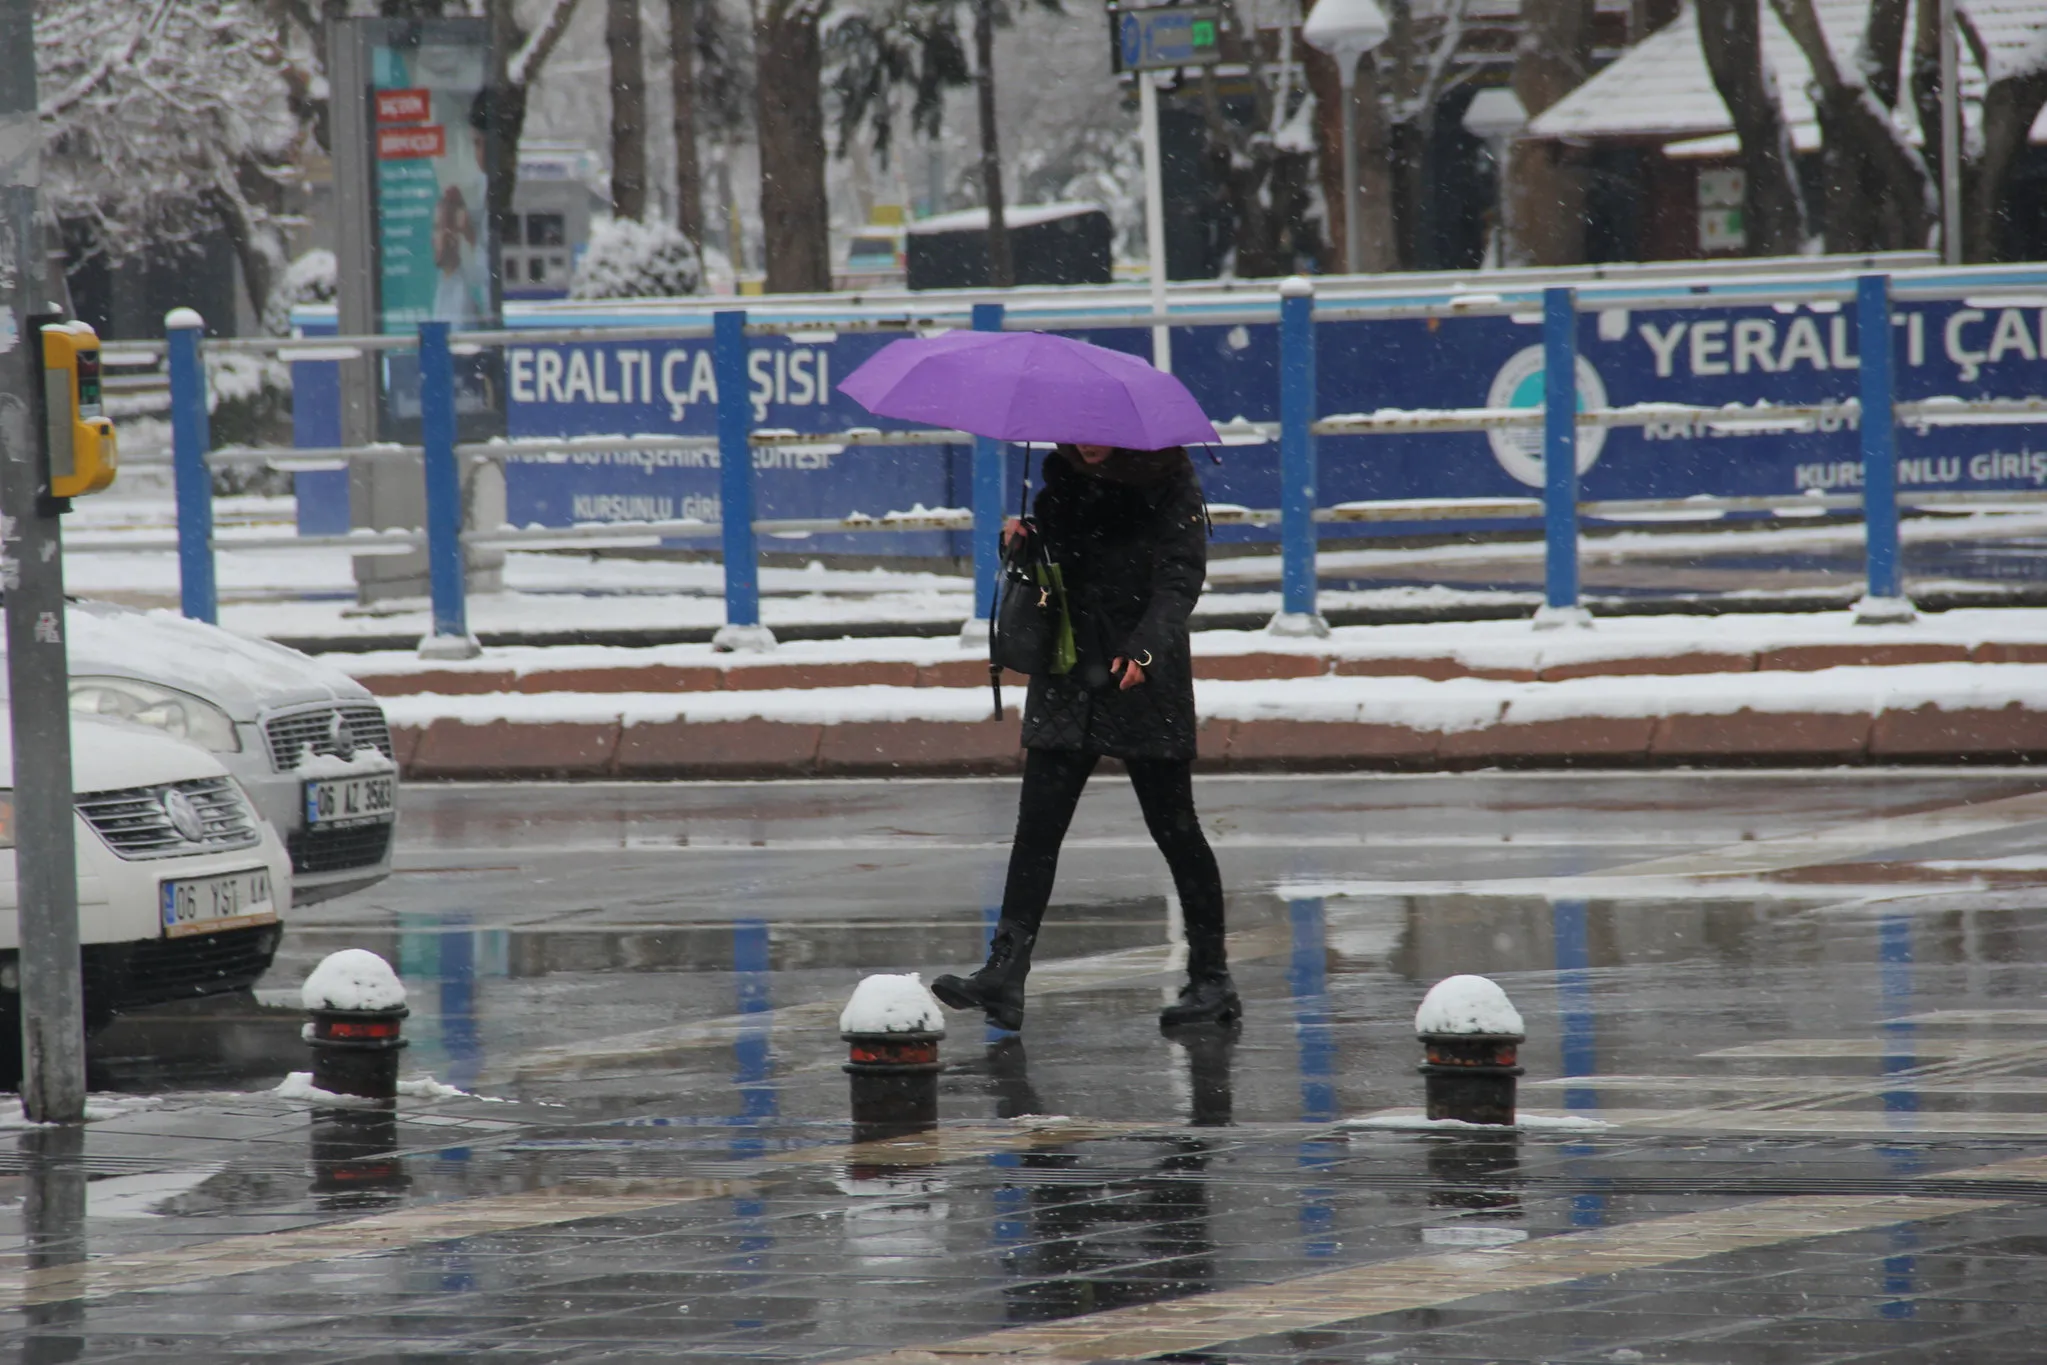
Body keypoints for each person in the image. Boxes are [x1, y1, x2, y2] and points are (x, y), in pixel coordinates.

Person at [931, 441, 1235, 1033]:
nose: (1089, 444)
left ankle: (1212, 979)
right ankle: (1004, 974)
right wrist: (1025, 543)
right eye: (1077, 433)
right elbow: (1058, 569)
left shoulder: (1169, 483)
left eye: (1100, 434)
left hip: (1140, 673)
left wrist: (1144, 646)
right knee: (1037, 828)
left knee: (1175, 829)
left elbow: (1179, 582)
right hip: (1069, 667)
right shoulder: (1060, 480)